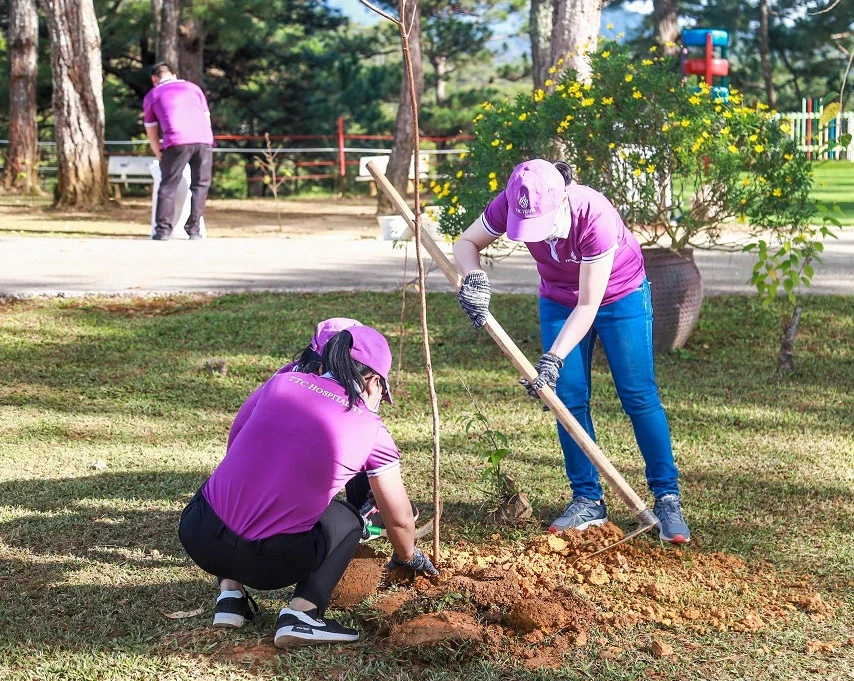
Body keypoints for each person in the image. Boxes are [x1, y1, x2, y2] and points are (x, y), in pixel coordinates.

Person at [452, 159, 691, 543]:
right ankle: (587, 499)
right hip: (559, 299)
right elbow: (466, 243)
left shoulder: (594, 214)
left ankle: (667, 497)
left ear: (560, 200)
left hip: (618, 296)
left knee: (638, 395)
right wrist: (473, 276)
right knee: (568, 396)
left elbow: (589, 304)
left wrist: (552, 358)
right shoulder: (514, 199)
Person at [178, 319, 437, 648]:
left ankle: (230, 596)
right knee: (345, 517)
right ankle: (303, 613)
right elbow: (398, 517)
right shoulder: (371, 429)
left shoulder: (281, 383)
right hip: (270, 566)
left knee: (231, 486)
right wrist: (407, 556)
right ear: (373, 380)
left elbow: (236, 443)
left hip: (199, 536)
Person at [142, 62, 214, 240]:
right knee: (200, 185)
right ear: (174, 75)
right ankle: (194, 229)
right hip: (204, 139)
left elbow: (151, 131)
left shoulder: (153, 94)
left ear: (154, 79)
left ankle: (163, 230)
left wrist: (159, 153)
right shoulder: (194, 89)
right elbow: (207, 119)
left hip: (177, 140)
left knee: (168, 185)